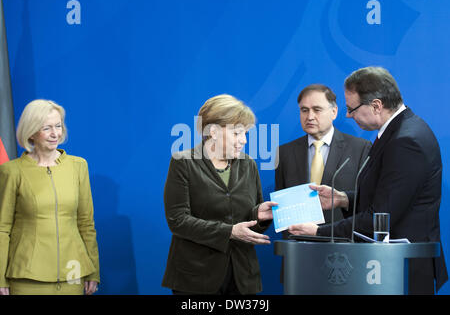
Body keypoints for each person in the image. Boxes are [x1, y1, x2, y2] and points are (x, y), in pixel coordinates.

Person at [289, 67, 448, 294]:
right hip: (388, 267)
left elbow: (381, 217)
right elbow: (386, 196)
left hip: (401, 271)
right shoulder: (398, 130)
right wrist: (343, 199)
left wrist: (318, 232)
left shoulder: (406, 141)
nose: (347, 116)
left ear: (376, 106)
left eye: (351, 108)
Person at [162, 94, 276, 295]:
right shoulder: (183, 162)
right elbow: (178, 220)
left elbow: (248, 220)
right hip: (196, 279)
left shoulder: (248, 164)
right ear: (213, 131)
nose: (243, 141)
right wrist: (229, 232)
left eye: (245, 134)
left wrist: (259, 215)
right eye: (237, 133)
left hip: (242, 278)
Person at [0, 99, 100, 295]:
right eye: (47, 128)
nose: (55, 134)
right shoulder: (12, 171)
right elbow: (2, 229)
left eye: (58, 126)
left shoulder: (78, 166)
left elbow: (86, 223)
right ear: (31, 132)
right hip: (27, 277)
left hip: (74, 273)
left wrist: (93, 271)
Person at [276, 84, 371, 224]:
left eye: (317, 110)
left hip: (341, 240)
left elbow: (367, 199)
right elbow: (282, 204)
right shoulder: (284, 152)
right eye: (304, 110)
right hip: (298, 240)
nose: (310, 116)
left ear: (334, 112)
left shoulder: (360, 148)